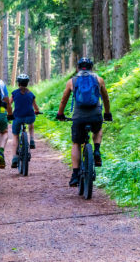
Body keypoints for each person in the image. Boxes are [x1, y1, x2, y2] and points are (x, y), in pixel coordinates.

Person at [56, 57, 112, 187]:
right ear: (92, 67)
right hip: (95, 115)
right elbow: (106, 99)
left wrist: (60, 114)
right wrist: (107, 113)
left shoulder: (72, 81)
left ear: (78, 68)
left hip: (79, 117)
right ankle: (96, 150)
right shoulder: (99, 80)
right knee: (97, 130)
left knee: (76, 143)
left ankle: (75, 174)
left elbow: (63, 100)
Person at [9, 74, 40, 168]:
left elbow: (9, 104)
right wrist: (37, 111)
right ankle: (31, 139)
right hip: (29, 116)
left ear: (18, 83)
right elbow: (35, 106)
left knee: (15, 136)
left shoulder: (14, 93)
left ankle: (14, 157)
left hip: (17, 117)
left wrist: (8, 114)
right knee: (31, 122)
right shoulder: (31, 94)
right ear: (27, 83)